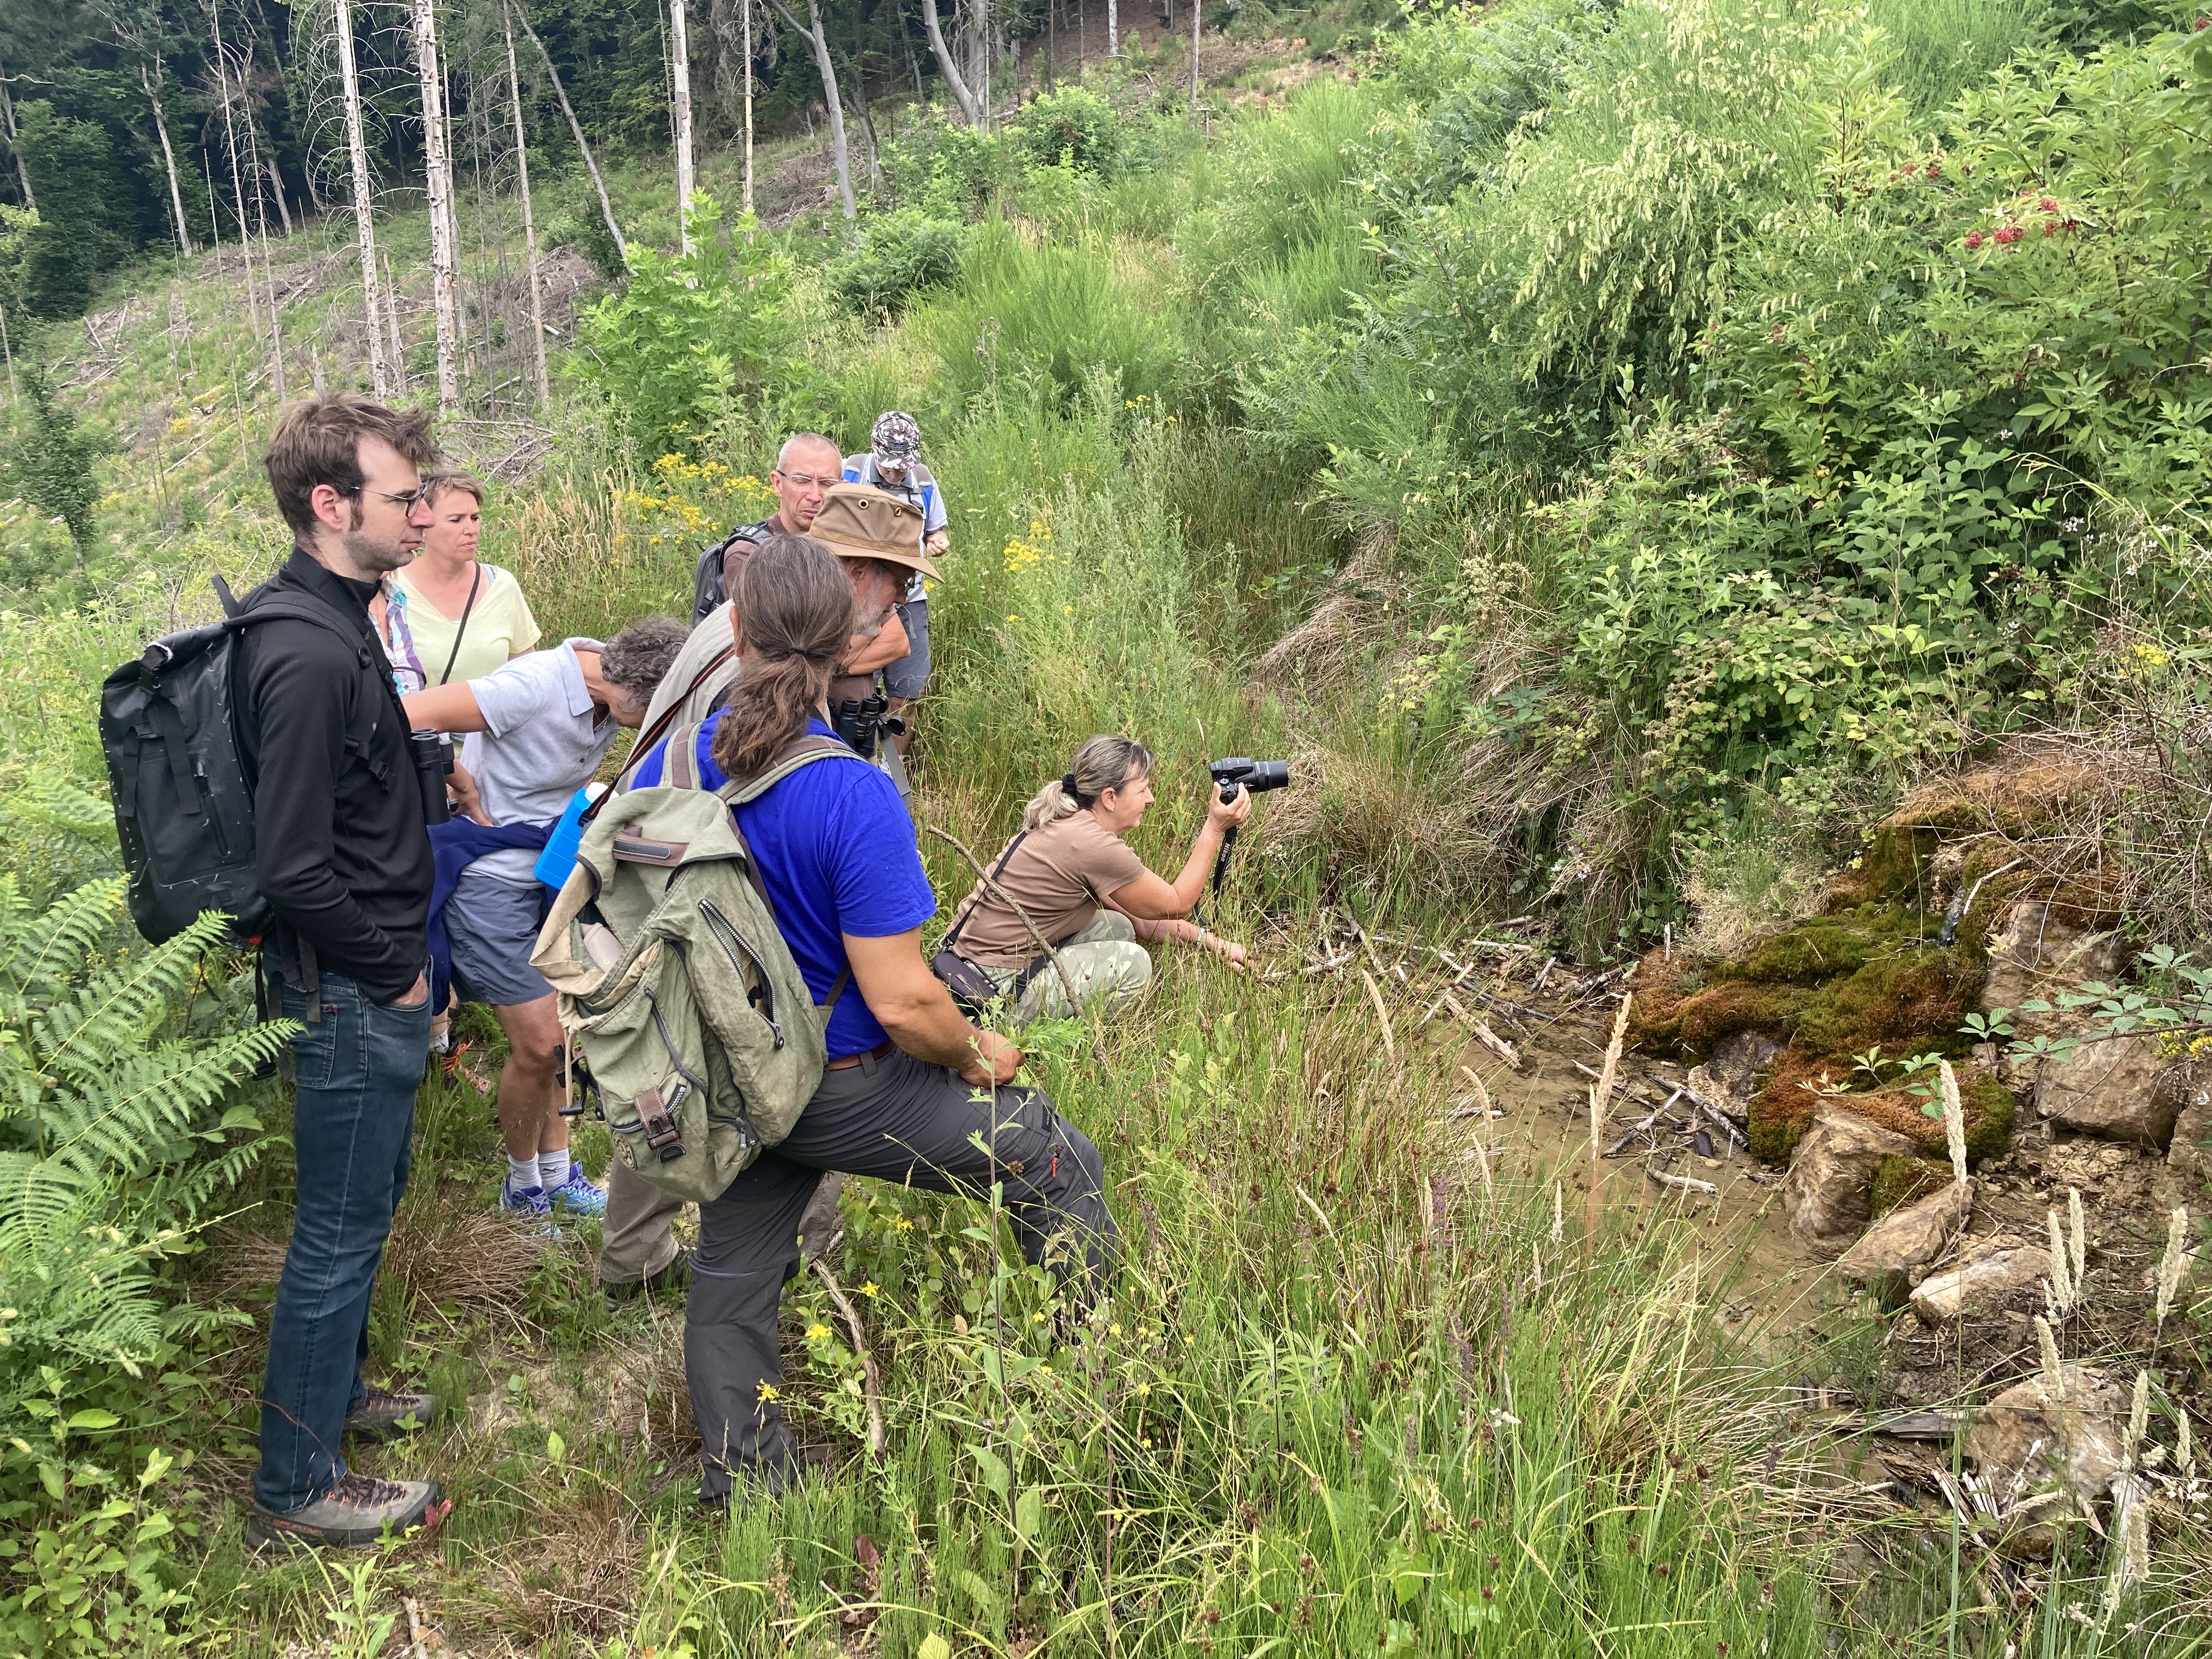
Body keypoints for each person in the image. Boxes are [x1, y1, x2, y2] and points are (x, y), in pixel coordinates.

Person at [624, 534, 1115, 1500]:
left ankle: (747, 1484)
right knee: (1055, 1158)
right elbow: (901, 999)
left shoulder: (685, 759)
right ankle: (1087, 1379)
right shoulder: (850, 790)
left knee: (734, 1272)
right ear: (849, 641)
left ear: (741, 630)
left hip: (734, 1075)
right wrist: (979, 1051)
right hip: (841, 1084)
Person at [600, 493, 941, 1305]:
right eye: (893, 589)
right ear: (855, 577)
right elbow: (758, 789)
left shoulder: (756, 619)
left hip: (677, 879)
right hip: (723, 912)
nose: (895, 609)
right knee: (757, 1053)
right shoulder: (765, 655)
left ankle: (638, 1256)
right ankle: (788, 1264)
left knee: (677, 1059)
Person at [238, 391, 445, 1551]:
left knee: (362, 1212)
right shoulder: (307, 653)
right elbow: (292, 867)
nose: (419, 511)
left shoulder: (338, 614)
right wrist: (395, 973)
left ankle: (338, 1398)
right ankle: (296, 1484)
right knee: (336, 1229)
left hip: (367, 975)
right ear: (332, 505)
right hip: (350, 987)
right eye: (402, 496)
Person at [400, 619, 691, 1226]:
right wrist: (458, 783)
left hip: (551, 877)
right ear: (635, 687)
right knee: (539, 1045)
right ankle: (521, 1188)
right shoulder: (532, 686)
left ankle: (557, 1176)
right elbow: (406, 713)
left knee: (561, 1032)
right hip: (488, 882)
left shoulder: (605, 695)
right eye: (662, 708)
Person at [936, 736, 1253, 1024]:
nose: (1151, 799)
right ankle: (1028, 1035)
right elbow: (1179, 903)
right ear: (1110, 797)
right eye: (1142, 790)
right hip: (986, 992)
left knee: (1119, 927)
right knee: (1134, 965)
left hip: (965, 965)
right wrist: (1214, 829)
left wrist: (1212, 943)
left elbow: (1143, 923)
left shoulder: (1068, 821)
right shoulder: (1093, 847)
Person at [842, 412, 948, 757]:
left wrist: (938, 542)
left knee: (907, 690)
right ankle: (856, 761)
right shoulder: (850, 472)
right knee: (853, 686)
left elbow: (936, 530)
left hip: (909, 599)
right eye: (888, 466)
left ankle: (894, 768)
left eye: (902, 467)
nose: (894, 473)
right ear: (874, 450)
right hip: (858, 601)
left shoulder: (924, 480)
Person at [396, 471, 540, 687]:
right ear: (423, 525)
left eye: (475, 518)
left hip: (495, 720)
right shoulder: (392, 589)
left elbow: (529, 673)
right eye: (456, 520)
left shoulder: (501, 586)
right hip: (424, 720)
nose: (471, 530)